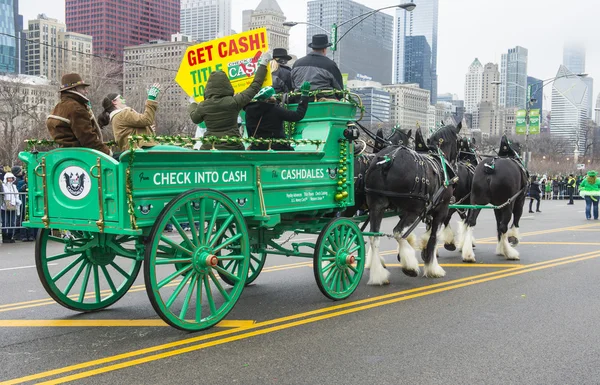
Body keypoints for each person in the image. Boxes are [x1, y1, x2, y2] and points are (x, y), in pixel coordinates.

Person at [188, 52, 271, 150]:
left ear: (208, 87)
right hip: (233, 146)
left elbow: (195, 118)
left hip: (209, 147)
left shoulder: (203, 106)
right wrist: (263, 63)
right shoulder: (234, 102)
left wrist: (193, 103)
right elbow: (255, 86)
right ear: (227, 85)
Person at [47, 73, 111, 155]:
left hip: (65, 155)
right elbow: (88, 139)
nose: (86, 91)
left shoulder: (59, 106)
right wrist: (108, 153)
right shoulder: (76, 108)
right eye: (83, 88)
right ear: (74, 89)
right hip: (81, 156)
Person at [244, 82, 311, 151]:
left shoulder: (248, 111)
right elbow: (297, 115)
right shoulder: (275, 109)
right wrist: (304, 96)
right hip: (277, 147)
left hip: (257, 148)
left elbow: (250, 133)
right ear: (270, 98)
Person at [98, 84, 161, 151]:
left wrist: (147, 129)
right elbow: (147, 120)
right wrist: (151, 99)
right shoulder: (123, 113)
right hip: (140, 151)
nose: (124, 99)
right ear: (114, 102)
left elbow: (130, 133)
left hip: (131, 152)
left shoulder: (115, 117)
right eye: (121, 98)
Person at [1, 172, 22, 243]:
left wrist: (17, 201)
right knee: (5, 222)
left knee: (12, 222)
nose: (10, 179)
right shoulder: (3, 186)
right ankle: (5, 237)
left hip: (13, 205)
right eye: (9, 178)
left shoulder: (14, 186)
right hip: (4, 206)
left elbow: (16, 195)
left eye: (11, 178)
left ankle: (10, 236)